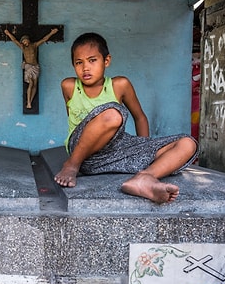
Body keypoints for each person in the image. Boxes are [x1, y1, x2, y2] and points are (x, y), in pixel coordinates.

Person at [54, 32, 198, 203]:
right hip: (83, 153)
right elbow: (75, 125)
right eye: (79, 62)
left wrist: (142, 149)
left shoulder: (120, 85)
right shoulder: (69, 86)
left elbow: (140, 117)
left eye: (92, 60)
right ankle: (71, 164)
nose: (85, 68)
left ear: (106, 61)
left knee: (188, 143)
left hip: (118, 149)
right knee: (114, 114)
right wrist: (76, 159)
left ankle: (145, 178)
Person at [4, 28, 59, 109]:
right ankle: (28, 101)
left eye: (25, 40)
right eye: (23, 41)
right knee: (31, 83)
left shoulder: (34, 45)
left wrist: (52, 33)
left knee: (35, 84)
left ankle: (31, 101)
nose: (24, 42)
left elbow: (44, 39)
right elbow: (14, 40)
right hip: (28, 67)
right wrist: (8, 33)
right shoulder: (23, 48)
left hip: (35, 67)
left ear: (28, 40)